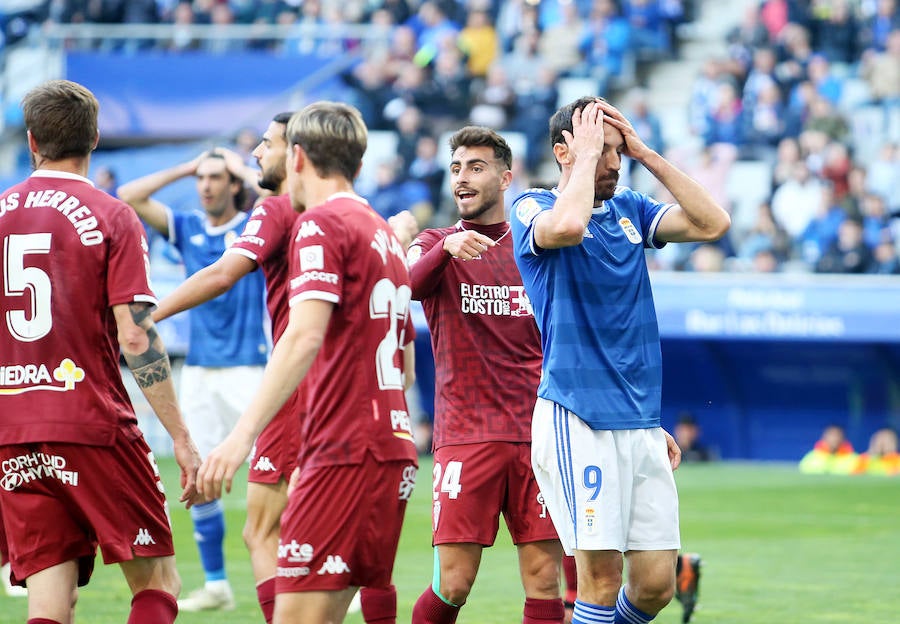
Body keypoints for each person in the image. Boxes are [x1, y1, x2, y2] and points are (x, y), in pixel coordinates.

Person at [510, 96, 731, 624]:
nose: (613, 162)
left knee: (655, 584)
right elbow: (565, 228)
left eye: (617, 152)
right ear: (564, 152)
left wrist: (646, 153)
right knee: (601, 581)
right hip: (577, 415)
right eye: (601, 151)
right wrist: (586, 157)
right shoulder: (531, 207)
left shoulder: (631, 207)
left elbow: (712, 223)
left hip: (639, 420)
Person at [196, 102, 418, 624]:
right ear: (358, 165)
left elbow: (302, 335)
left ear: (296, 157)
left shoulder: (320, 223)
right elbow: (404, 367)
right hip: (392, 448)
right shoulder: (382, 232)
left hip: (342, 451)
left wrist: (240, 436)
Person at [0, 79, 201, 623]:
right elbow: (135, 336)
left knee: (51, 597)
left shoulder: (0, 212)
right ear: (93, 141)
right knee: (159, 581)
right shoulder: (112, 215)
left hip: (13, 429)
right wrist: (180, 437)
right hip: (90, 421)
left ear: (33, 141)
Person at [406, 126, 565, 624]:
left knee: (544, 579)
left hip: (536, 434)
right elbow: (408, 283)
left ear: (505, 176)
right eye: (456, 169)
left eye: (476, 167)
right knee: (453, 582)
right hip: (466, 435)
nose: (462, 179)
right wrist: (446, 250)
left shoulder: (535, 247)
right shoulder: (435, 242)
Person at [118, 147, 270, 611]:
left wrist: (239, 166)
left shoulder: (255, 227)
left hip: (251, 367)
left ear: (234, 184)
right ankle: (218, 585)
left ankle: (319, 570)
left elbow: (275, 196)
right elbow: (129, 195)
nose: (205, 185)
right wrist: (190, 164)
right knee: (199, 476)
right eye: (200, 178)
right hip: (200, 371)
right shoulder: (186, 228)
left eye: (215, 177)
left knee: (286, 473)